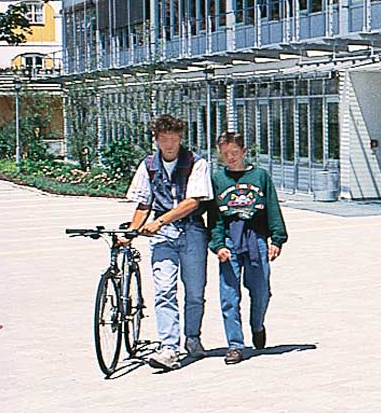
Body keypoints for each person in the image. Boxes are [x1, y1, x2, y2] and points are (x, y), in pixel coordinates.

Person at [123, 114, 213, 370]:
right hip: (162, 238)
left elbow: (193, 201)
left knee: (194, 292)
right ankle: (169, 348)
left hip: (192, 232)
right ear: (157, 140)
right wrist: (131, 231)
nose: (169, 144)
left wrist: (160, 221)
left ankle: (192, 339)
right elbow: (144, 203)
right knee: (164, 290)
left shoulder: (197, 163)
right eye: (164, 139)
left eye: (174, 139)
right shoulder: (149, 165)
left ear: (180, 138)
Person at [208, 131, 287, 365]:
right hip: (230, 241)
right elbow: (214, 217)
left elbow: (272, 207)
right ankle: (235, 345)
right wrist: (218, 244)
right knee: (229, 296)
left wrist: (277, 238)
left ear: (244, 151)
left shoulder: (260, 176)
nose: (230, 158)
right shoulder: (217, 179)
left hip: (256, 239)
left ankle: (257, 324)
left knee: (261, 290)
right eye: (225, 154)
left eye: (234, 153)